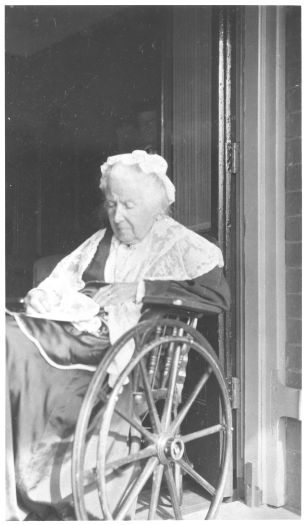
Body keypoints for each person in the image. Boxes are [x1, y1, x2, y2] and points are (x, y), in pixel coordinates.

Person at [6, 150, 230, 520]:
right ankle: (22, 477)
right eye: (112, 204)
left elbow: (217, 297)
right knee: (9, 331)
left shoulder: (184, 246)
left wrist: (140, 289)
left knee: (12, 340)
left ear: (158, 209)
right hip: (78, 330)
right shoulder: (99, 242)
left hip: (120, 350)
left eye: (129, 204)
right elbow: (60, 280)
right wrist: (48, 295)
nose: (118, 215)